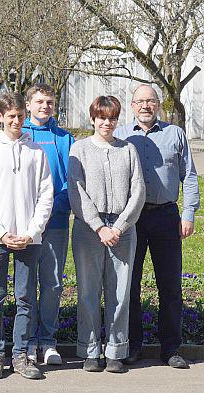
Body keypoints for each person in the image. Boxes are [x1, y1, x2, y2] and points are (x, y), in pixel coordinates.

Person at [115, 84, 199, 369]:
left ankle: (171, 348)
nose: (145, 106)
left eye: (150, 101)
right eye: (139, 101)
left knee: (170, 286)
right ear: (132, 106)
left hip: (166, 217)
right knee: (130, 286)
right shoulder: (121, 135)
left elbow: (189, 175)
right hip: (132, 219)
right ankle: (133, 345)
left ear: (158, 105)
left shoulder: (175, 134)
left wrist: (188, 214)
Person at [0, 92, 53, 380]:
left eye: (20, 116)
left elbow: (46, 196)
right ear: (1, 118)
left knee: (24, 298)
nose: (16, 121)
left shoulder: (36, 152)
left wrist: (31, 232)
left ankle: (21, 354)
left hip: (29, 238)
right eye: (11, 117)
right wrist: (1, 232)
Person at [69, 96, 146, 373]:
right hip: (89, 228)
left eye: (112, 118)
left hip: (122, 229)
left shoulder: (128, 150)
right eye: (102, 117)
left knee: (120, 292)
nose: (107, 122)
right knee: (89, 291)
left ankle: (115, 349)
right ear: (93, 119)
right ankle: (89, 349)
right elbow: (76, 191)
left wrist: (119, 226)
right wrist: (98, 226)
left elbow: (138, 190)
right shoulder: (80, 149)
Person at [21, 83, 74, 365]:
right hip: (25, 226)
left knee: (52, 284)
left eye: (50, 102)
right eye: (39, 102)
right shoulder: (20, 134)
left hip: (55, 223)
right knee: (26, 285)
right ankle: (28, 341)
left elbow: (70, 180)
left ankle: (48, 341)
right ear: (28, 104)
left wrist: (57, 207)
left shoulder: (64, 138)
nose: (45, 106)